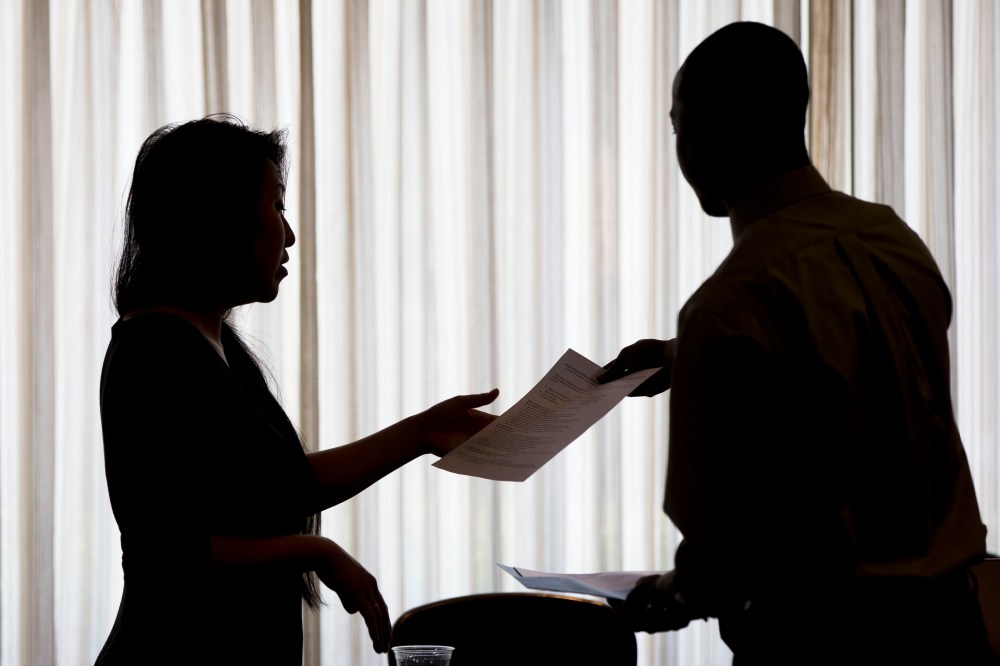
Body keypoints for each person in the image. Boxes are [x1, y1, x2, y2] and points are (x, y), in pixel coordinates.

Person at [597, 21, 992, 665]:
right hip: (952, 632)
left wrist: (657, 595)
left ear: (705, 134)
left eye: (678, 127)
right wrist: (678, 355)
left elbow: (720, 560)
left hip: (822, 645)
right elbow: (854, 359)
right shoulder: (891, 240)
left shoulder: (728, 308)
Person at [96, 115, 499, 664]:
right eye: (277, 206)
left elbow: (284, 487)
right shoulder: (153, 351)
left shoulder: (217, 348)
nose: (287, 234)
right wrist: (316, 550)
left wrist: (423, 432)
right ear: (219, 215)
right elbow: (166, 552)